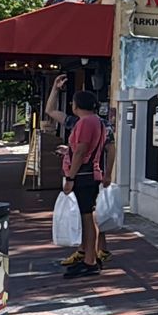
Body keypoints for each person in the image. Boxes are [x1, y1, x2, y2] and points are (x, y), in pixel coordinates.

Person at [59, 90, 109, 277]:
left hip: (84, 175)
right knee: (87, 217)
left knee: (87, 218)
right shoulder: (96, 121)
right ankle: (89, 256)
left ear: (77, 105)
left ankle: (90, 260)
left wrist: (70, 177)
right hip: (88, 173)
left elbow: (81, 150)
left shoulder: (87, 122)